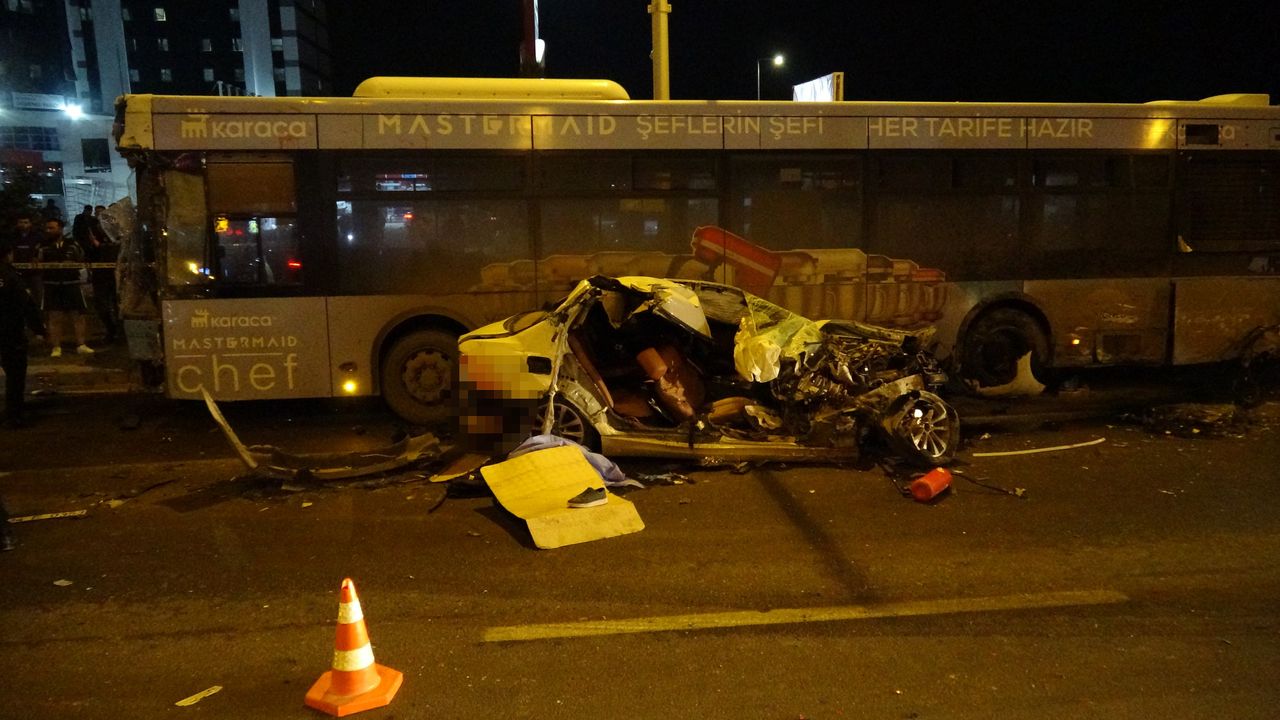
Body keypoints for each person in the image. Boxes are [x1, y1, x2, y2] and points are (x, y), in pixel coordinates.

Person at [1, 240, 46, 428]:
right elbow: (27, 304)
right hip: (10, 331)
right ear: (9, 254)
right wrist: (39, 329)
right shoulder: (12, 276)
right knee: (15, 374)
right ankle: (14, 415)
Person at [35, 218, 93, 357]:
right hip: (51, 285)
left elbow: (81, 259)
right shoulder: (42, 246)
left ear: (60, 229)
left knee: (78, 315)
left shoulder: (73, 244)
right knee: (54, 317)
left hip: (72, 283)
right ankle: (56, 347)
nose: (48, 231)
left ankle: (81, 345)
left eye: (52, 228)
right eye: (47, 228)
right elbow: (36, 262)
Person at [86, 205, 121, 343]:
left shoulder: (118, 233)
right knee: (101, 306)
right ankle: (111, 330)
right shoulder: (93, 233)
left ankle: (120, 332)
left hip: (115, 275)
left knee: (118, 305)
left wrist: (100, 246)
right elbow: (90, 253)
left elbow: (118, 248)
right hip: (100, 275)